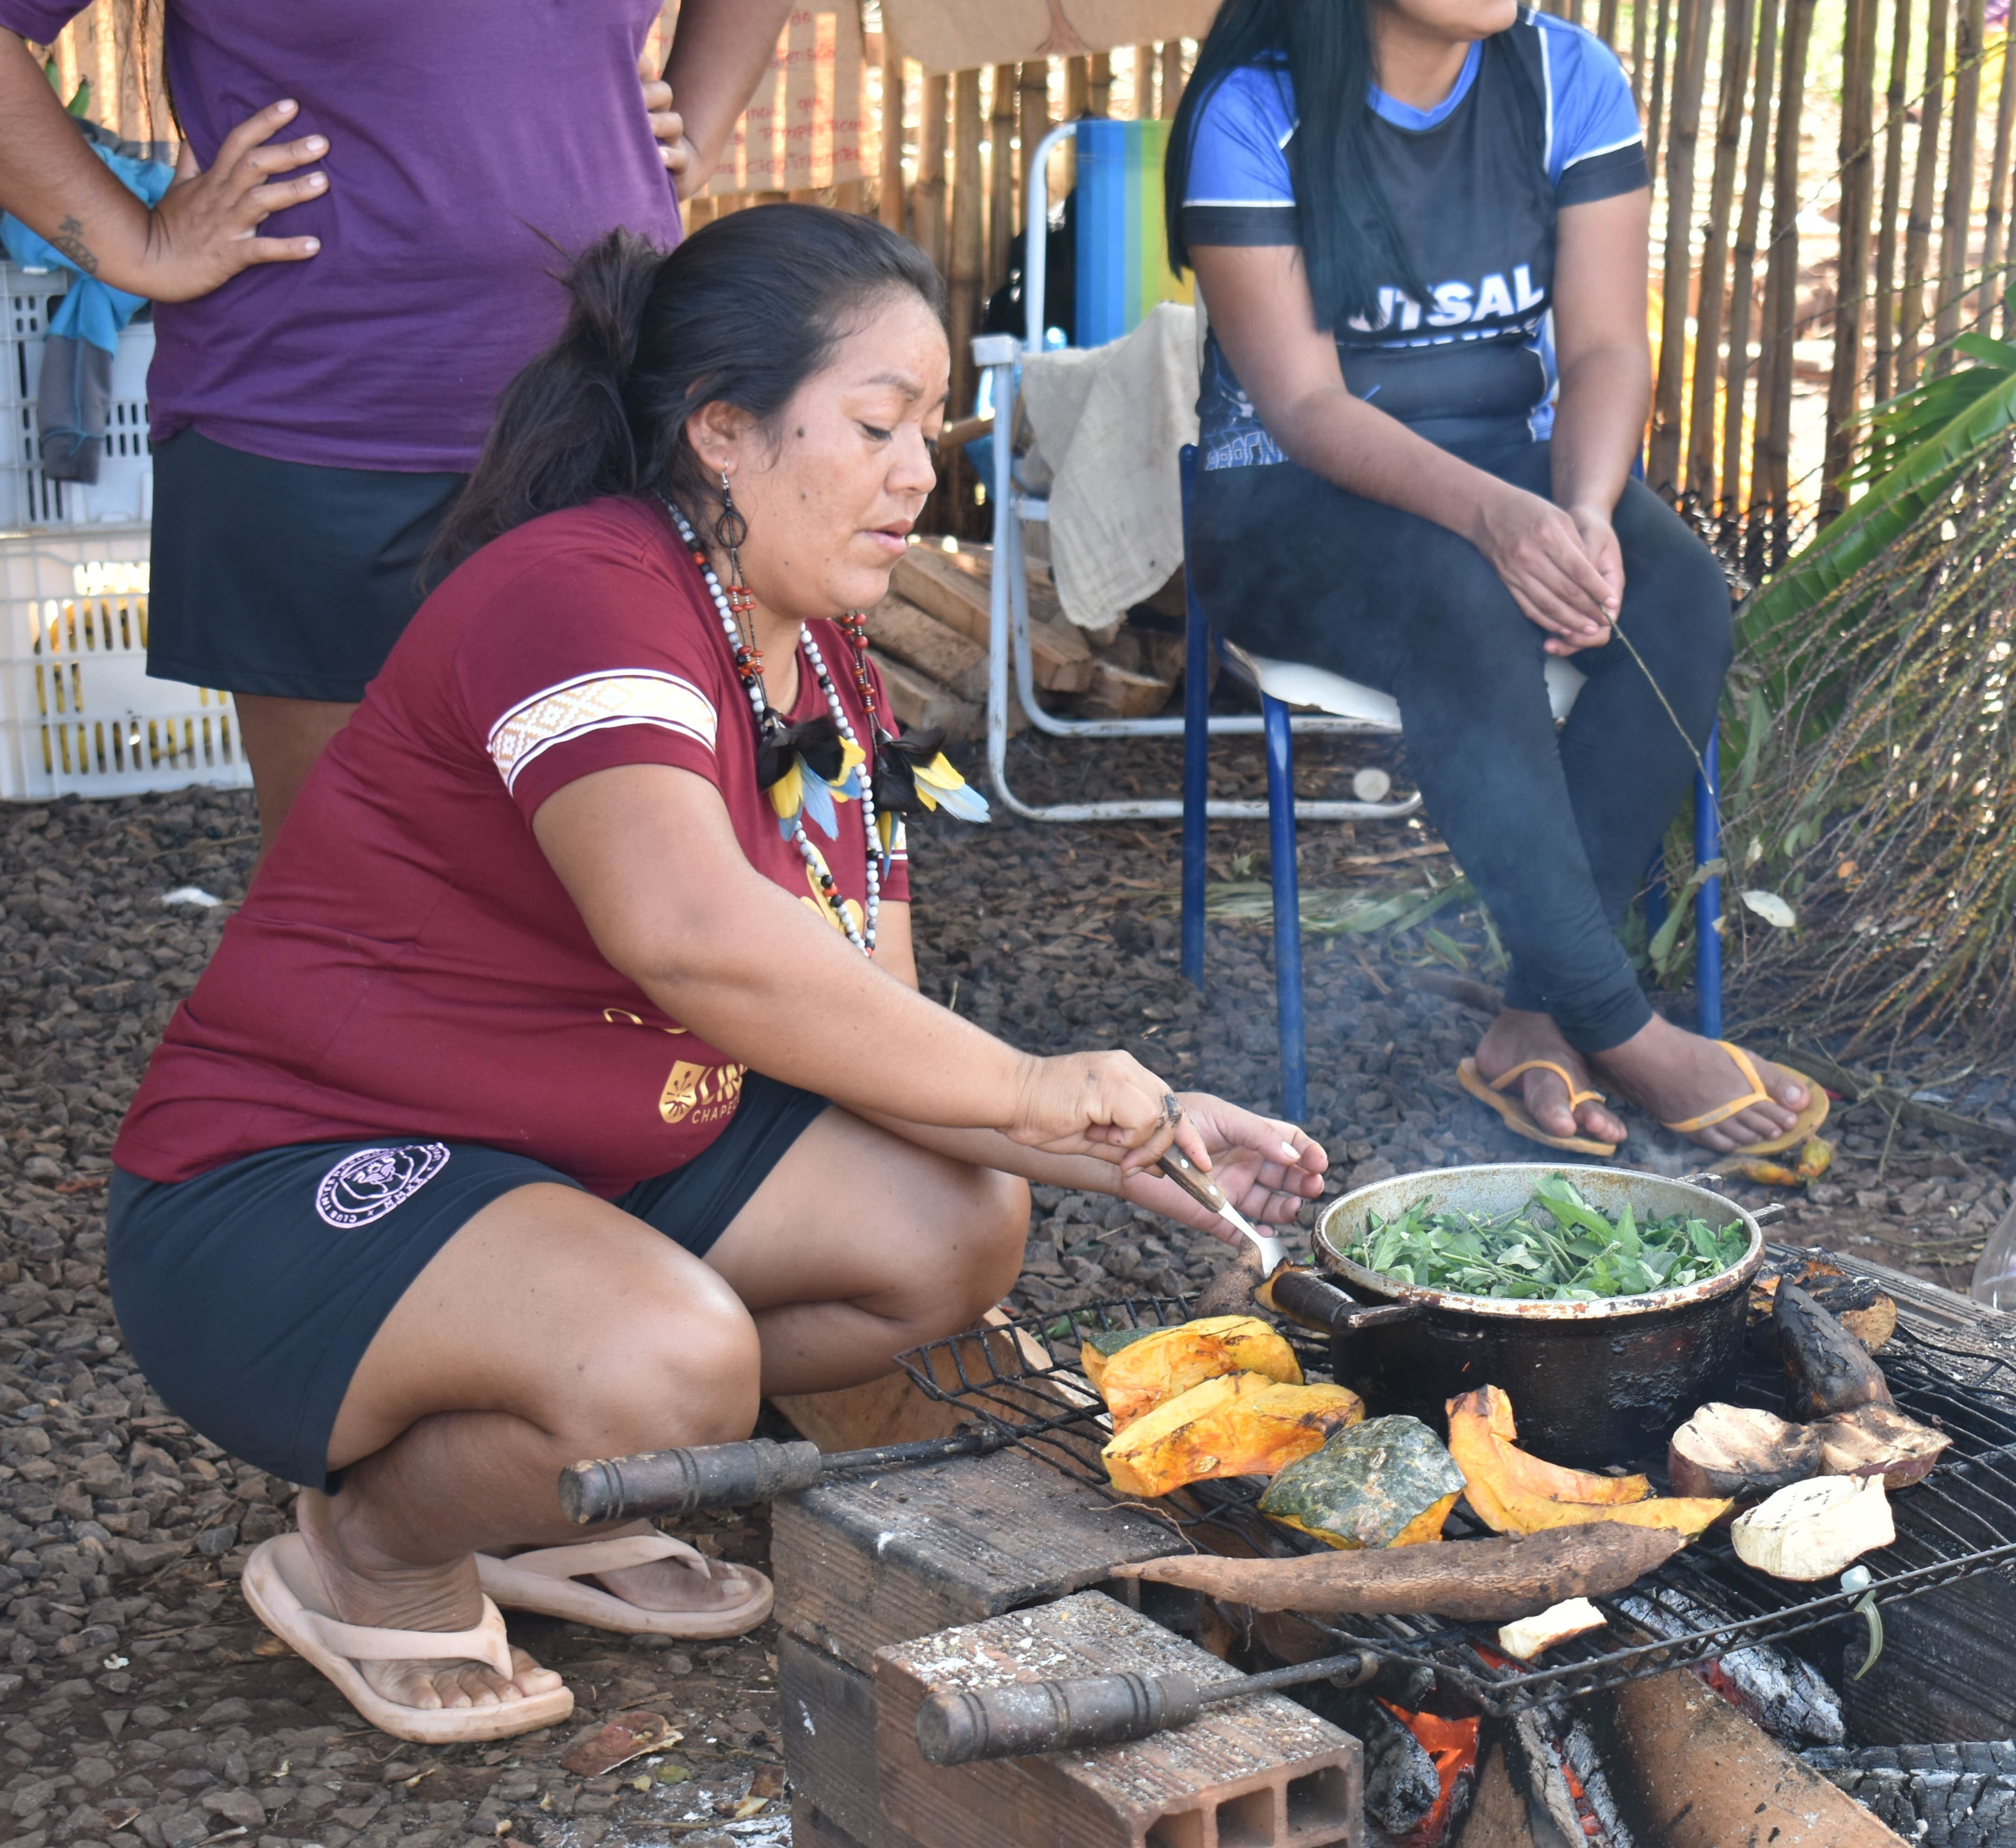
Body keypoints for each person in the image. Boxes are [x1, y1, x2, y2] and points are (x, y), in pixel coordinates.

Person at [105, 204, 1329, 1744]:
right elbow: (685, 934)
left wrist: (1125, 1134)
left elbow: (859, 1015)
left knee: (955, 1225)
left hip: (579, 1157)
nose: (918, 473)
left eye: (929, 429)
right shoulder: (584, 593)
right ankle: (372, 1550)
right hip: (291, 1178)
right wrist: (1031, 1081)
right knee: (676, 1370)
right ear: (725, 433)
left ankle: (538, 1468)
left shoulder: (822, 659)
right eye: (880, 424)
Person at [1166, 0, 1821, 1157]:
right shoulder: (1253, 112)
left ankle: (1529, 1016)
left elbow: (1609, 347)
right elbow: (1307, 408)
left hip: (1517, 474)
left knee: (1674, 593)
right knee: (1469, 597)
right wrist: (1499, 523)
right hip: (1287, 506)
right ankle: (1614, 1022)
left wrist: (1579, 510)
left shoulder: (1567, 78)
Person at [0, 0, 797, 851]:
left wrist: (698, 130)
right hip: (317, 431)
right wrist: (134, 246)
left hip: (609, 411)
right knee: (358, 883)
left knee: (626, 875)